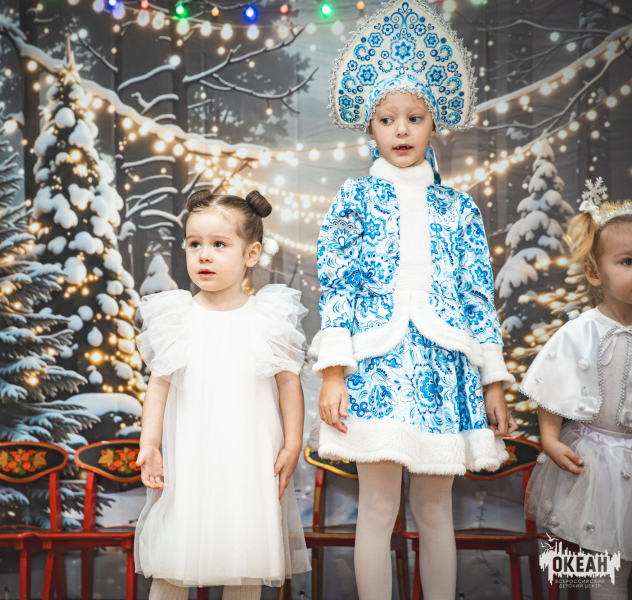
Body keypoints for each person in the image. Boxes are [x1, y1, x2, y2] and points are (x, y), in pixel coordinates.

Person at [312, 2, 517, 598]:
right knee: (377, 507)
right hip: (373, 366)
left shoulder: (458, 208)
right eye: (387, 119)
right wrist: (334, 372)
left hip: (442, 367)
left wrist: (494, 381)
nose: (401, 130)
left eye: (414, 117)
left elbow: (478, 296)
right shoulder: (353, 198)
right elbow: (338, 283)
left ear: (434, 124)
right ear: (370, 127)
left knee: (434, 510)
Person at [133, 189, 310, 599]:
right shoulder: (177, 316)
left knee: (244, 556)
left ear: (251, 254)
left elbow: (288, 382)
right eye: (194, 244)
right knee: (176, 553)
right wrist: (150, 443)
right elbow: (159, 384)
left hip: (249, 459)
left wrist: (293, 443)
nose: (204, 256)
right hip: (191, 459)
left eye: (219, 245)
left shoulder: (267, 316)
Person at [522, 179, 632, 600]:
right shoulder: (581, 330)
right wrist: (550, 440)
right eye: (627, 261)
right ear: (594, 273)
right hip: (598, 463)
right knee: (608, 569)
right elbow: (553, 386)